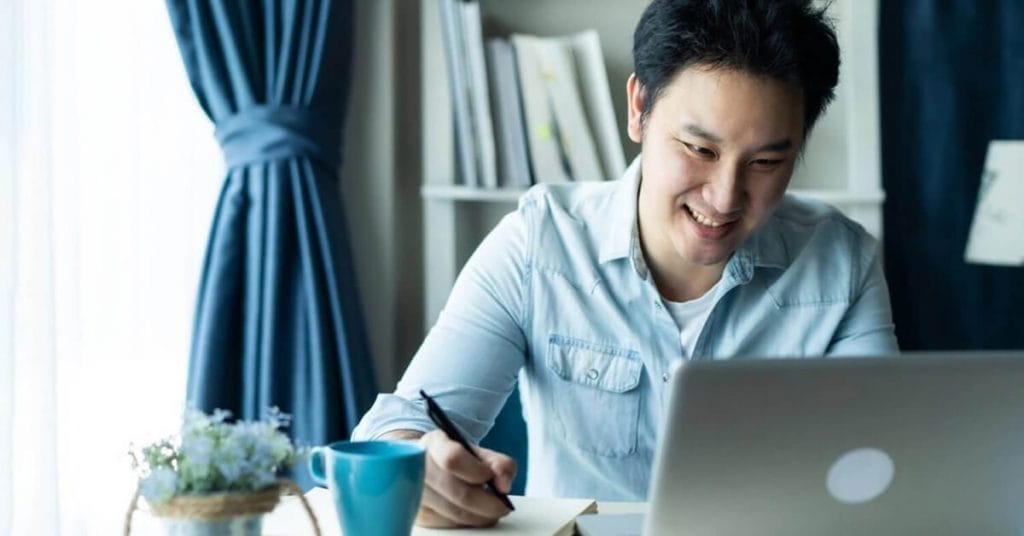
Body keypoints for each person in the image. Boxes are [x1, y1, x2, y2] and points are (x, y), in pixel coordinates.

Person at [353, 0, 898, 528]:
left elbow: (889, 461)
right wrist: (420, 464)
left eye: (766, 162)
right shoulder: (539, 245)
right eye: (699, 150)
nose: (724, 197)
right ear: (639, 107)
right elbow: (398, 424)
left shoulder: (842, 263)